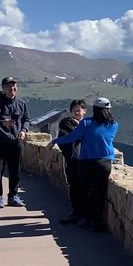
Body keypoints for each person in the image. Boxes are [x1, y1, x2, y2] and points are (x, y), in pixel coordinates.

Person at [48, 97, 118, 231]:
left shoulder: (86, 123)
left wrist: (55, 141)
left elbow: (72, 137)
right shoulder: (114, 125)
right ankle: (96, 221)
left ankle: (84, 218)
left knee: (84, 191)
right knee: (99, 192)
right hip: (104, 162)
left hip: (86, 162)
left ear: (95, 110)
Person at [0, 77, 30, 208]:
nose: (12, 89)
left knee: (15, 171)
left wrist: (24, 130)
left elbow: (26, 119)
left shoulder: (21, 104)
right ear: (3, 88)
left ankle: (13, 196)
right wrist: (1, 123)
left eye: (14, 86)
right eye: (9, 87)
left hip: (15, 143)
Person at [57, 99, 87, 224]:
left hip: (84, 161)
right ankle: (76, 213)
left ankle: (82, 214)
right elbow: (77, 135)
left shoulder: (86, 124)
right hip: (72, 160)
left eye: (78, 109)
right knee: (74, 186)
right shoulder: (66, 122)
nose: (75, 112)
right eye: (73, 110)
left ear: (84, 111)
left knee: (82, 188)